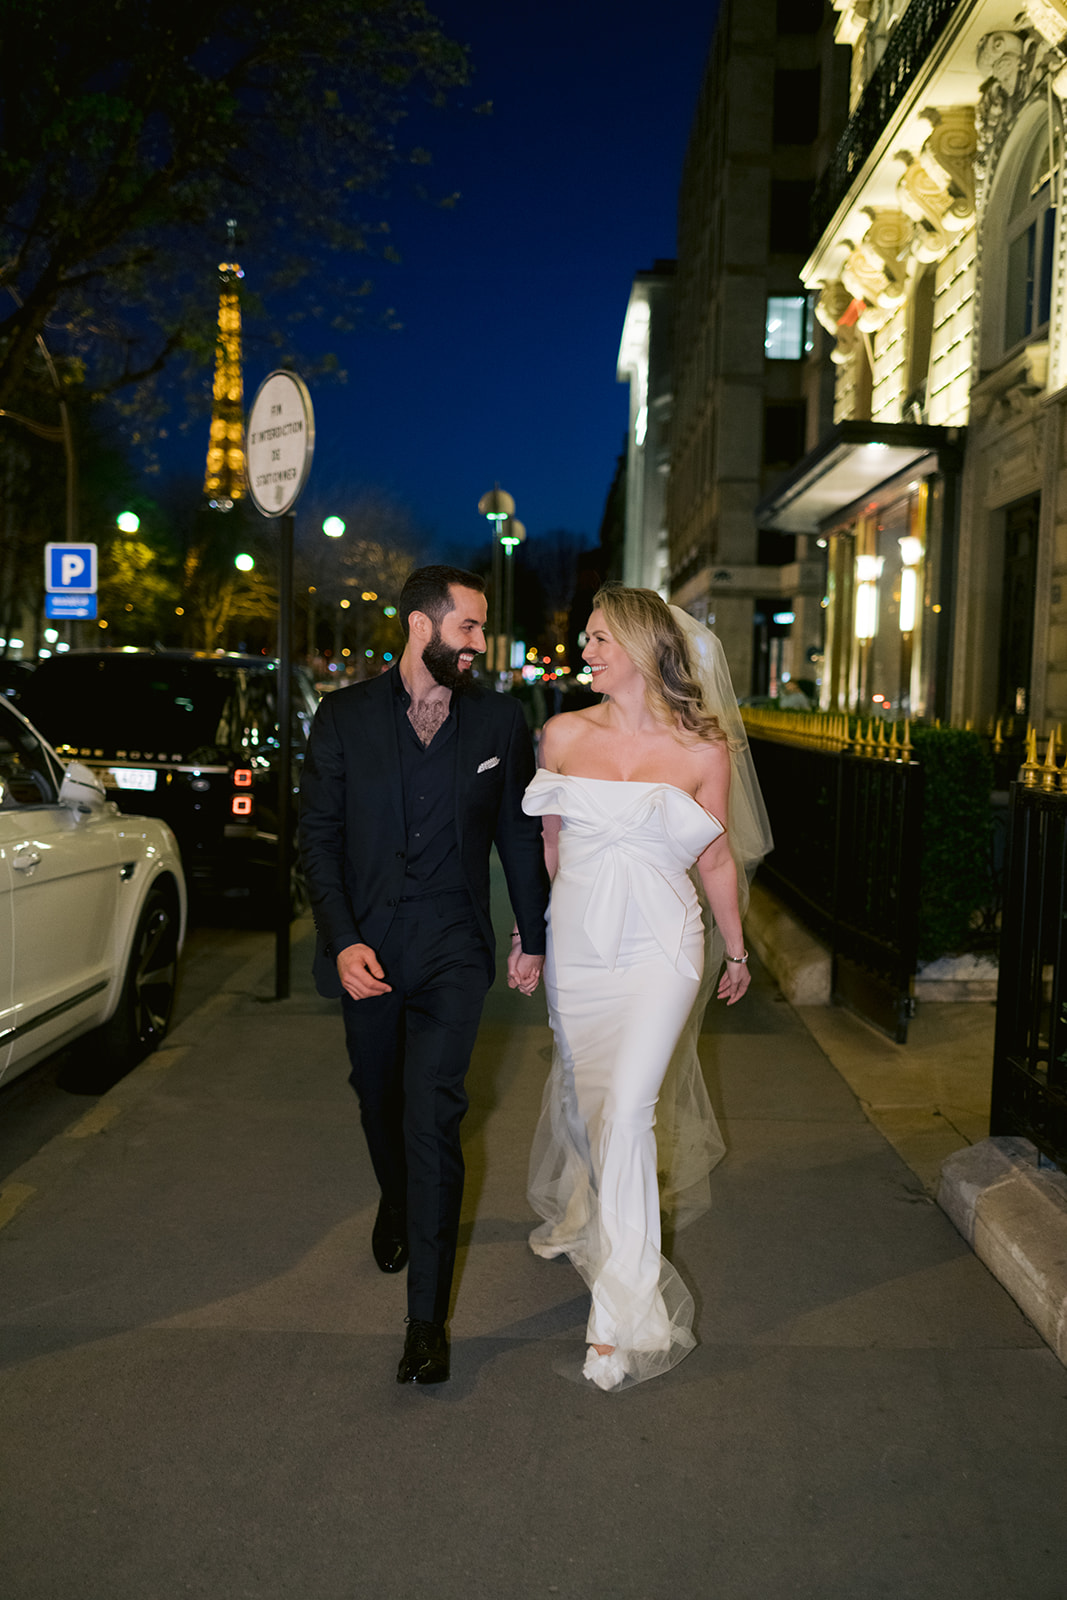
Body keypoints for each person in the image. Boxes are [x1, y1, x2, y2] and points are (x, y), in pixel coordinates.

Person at [299, 565, 550, 1386]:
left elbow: (517, 837)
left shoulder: (500, 722)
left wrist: (531, 934)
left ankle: (425, 1325)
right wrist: (340, 941)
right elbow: (319, 842)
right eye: (469, 628)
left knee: (432, 1118)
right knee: (376, 1095)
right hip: (366, 945)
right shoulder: (341, 719)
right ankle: (395, 1198)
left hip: (451, 948)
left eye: (480, 630)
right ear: (420, 627)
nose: (481, 643)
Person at [522, 585, 771, 1390]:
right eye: (585, 638)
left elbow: (716, 859)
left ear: (639, 646)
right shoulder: (559, 734)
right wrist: (533, 938)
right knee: (591, 1109)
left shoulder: (703, 749)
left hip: (664, 949)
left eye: (598, 638)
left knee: (628, 1114)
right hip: (579, 950)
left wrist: (736, 951)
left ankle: (618, 1315)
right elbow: (549, 852)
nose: (585, 651)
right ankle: (590, 1221)